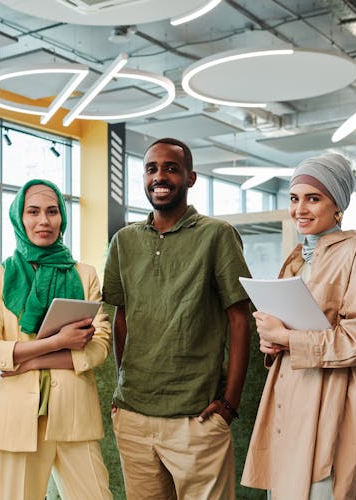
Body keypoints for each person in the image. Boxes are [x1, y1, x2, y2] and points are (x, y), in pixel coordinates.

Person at [241, 153, 356, 500]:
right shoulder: (296, 258)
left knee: (319, 488)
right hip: (287, 394)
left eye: (314, 198)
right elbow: (290, 328)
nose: (300, 209)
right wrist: (272, 341)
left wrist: (287, 338)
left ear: (338, 206)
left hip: (330, 397)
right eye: (294, 198)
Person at [103, 137, 253, 499]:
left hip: (197, 419)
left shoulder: (217, 235)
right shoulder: (124, 241)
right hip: (134, 415)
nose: (160, 176)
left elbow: (240, 318)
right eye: (151, 169)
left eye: (171, 168)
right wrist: (122, 385)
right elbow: (120, 317)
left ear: (191, 178)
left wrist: (229, 404)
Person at [0, 179, 113, 500]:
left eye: (52, 212)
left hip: (75, 416)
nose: (43, 221)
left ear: (62, 217)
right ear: (19, 218)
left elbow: (99, 347)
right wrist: (55, 342)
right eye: (33, 212)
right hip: (16, 420)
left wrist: (30, 360)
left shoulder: (84, 274)